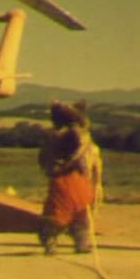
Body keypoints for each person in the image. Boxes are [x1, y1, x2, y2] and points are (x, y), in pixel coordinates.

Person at [37, 101, 102, 255]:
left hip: (63, 182)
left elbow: (45, 161)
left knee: (55, 216)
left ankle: (51, 242)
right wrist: (96, 184)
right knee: (81, 215)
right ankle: (82, 242)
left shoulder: (54, 138)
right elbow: (92, 166)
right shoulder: (83, 139)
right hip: (81, 183)